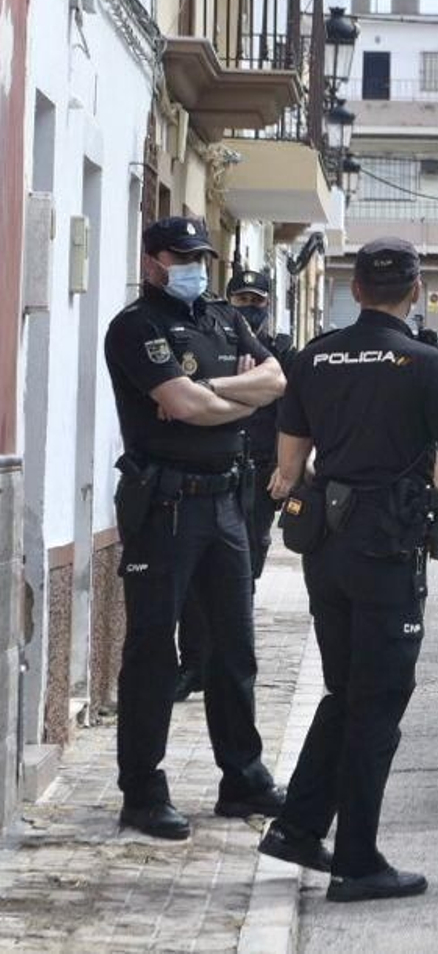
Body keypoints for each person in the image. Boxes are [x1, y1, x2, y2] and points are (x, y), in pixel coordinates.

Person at [257, 238, 438, 903]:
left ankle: (298, 829)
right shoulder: (426, 363)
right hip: (388, 545)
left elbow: (288, 468)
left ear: (354, 290)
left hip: (326, 545)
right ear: (416, 291)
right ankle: (356, 860)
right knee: (378, 702)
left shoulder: (314, 356)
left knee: (346, 691)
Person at [103, 217, 288, 840]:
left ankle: (243, 779)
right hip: (167, 506)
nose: (193, 266)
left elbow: (277, 380)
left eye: (200, 255)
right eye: (180, 256)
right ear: (152, 260)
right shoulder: (137, 327)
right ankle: (143, 790)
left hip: (228, 503)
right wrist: (232, 397)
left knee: (233, 650)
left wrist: (211, 388)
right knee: (153, 653)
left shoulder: (220, 316)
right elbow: (181, 407)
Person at [173, 267, 298, 703]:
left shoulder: (280, 350)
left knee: (242, 570)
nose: (250, 308)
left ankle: (227, 663)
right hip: (218, 467)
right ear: (229, 302)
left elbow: (289, 405)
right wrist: (249, 391)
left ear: (269, 304)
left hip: (261, 472)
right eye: (242, 300)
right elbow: (195, 397)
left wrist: (288, 468)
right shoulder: (213, 344)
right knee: (196, 573)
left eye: (257, 301)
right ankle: (193, 665)